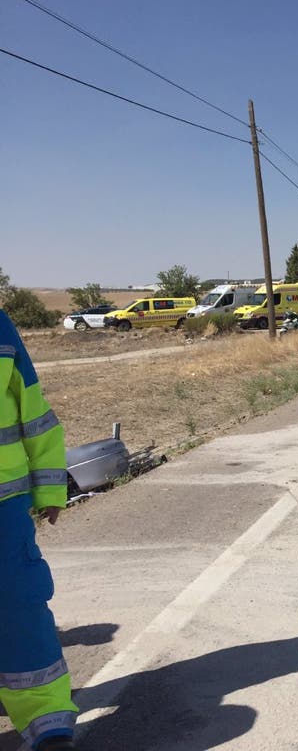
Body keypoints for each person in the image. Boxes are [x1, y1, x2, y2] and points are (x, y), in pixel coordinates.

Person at [0, 310, 78, 750]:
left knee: (18, 607)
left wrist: (50, 487)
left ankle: (47, 718)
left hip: (3, 506)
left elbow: (34, 410)